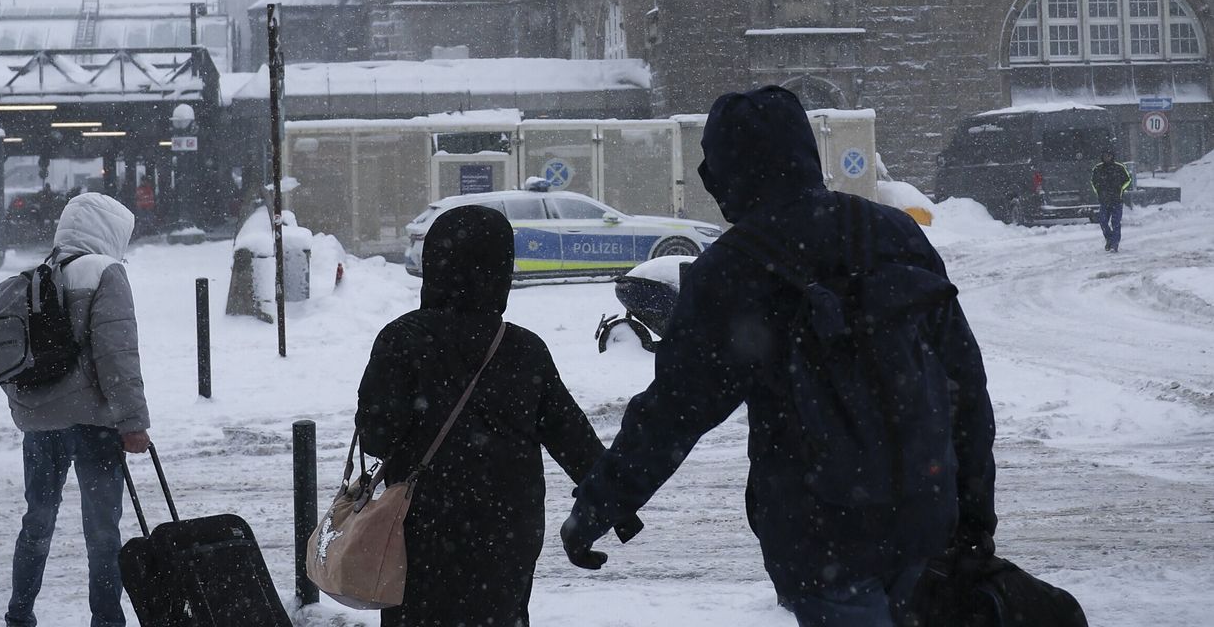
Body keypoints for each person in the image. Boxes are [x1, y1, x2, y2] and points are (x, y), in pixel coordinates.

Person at [560, 86, 996, 627]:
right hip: (927, 518)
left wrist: (597, 505)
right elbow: (964, 387)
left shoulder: (731, 270)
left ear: (725, 174)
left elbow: (674, 413)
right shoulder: (893, 233)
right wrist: (975, 522)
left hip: (820, 537)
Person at [356, 204, 624, 627]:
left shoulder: (402, 340)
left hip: (422, 531)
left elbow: (376, 437)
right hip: (507, 533)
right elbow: (574, 440)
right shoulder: (524, 349)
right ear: (501, 269)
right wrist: (615, 509)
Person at [0, 192, 151, 627]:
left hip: (41, 423)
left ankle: (20, 614)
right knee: (103, 532)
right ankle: (106, 620)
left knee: (37, 523)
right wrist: (133, 422)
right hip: (95, 423)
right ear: (109, 231)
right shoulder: (106, 272)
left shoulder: (37, 273)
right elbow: (116, 354)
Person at [1090, 148, 1131, 252]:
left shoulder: (1119, 167)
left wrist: (1121, 189)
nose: (1107, 157)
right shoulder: (1097, 169)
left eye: (1108, 155)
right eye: (1105, 156)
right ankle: (1109, 238)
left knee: (1115, 222)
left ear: (1112, 156)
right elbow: (1093, 181)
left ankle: (1114, 244)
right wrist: (1098, 192)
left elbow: (1128, 179)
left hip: (1117, 200)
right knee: (1103, 221)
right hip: (1104, 201)